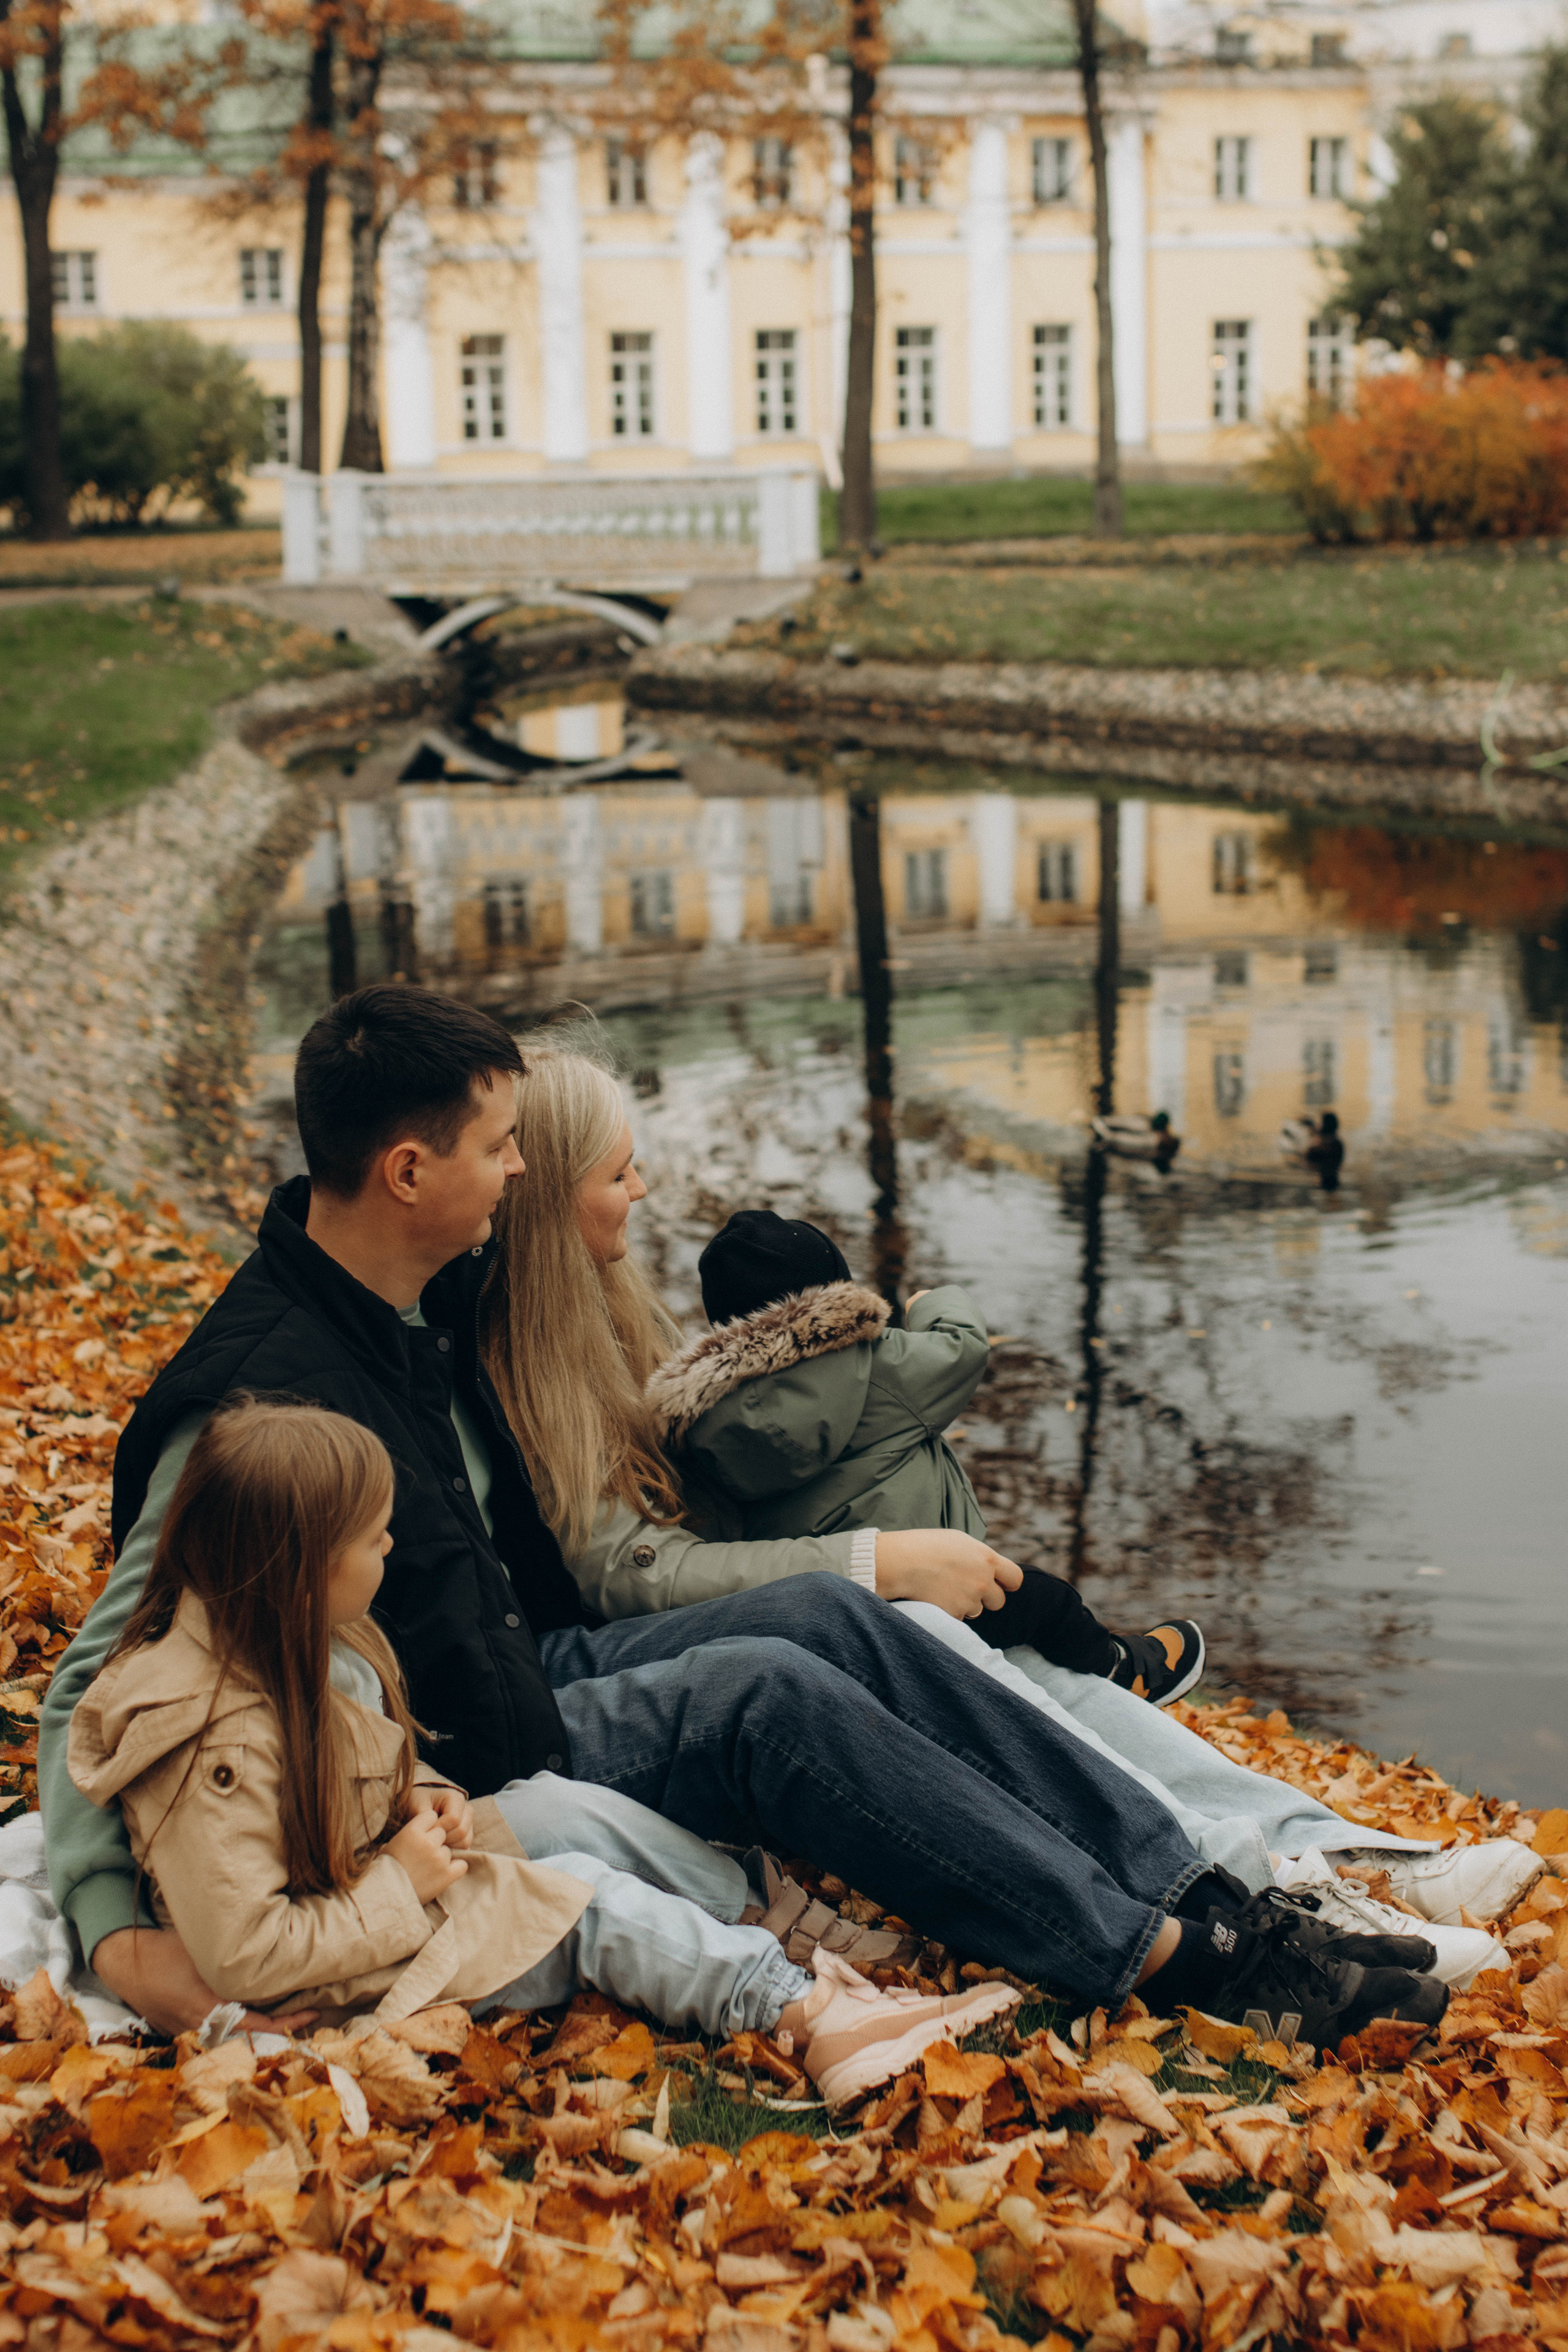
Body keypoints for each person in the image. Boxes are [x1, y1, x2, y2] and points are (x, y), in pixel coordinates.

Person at [37, 985, 1449, 2051]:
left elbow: (581, 1291)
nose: (521, 1172)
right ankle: (1158, 1955)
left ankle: (1211, 1886)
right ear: (407, 1171)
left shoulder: (429, 1291)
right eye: (497, 1146)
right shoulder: (246, 1398)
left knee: (841, 1609)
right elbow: (99, 1683)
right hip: (450, 1747)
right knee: (769, 1693)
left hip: (529, 1660)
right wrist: (118, 1935)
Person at [484, 1038, 1534, 1983]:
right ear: (545, 1199)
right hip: (635, 1667)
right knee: (922, 1635)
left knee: (989, 1644)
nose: (645, 1188)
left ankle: (1348, 1851)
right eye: (618, 1175)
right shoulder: (515, 1364)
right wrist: (873, 1557)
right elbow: (624, 1575)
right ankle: (1263, 1879)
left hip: (709, 1622)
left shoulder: (605, 1319)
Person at [69, 1398, 1019, 2109]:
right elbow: (247, 1952)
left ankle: (778, 1926)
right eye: (373, 1537)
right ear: (301, 1563)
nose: (392, 1548)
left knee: (564, 1809)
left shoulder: (311, 1636)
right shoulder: (213, 1746)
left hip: (366, 1875)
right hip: (340, 1970)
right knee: (582, 1903)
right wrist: (401, 1878)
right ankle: (807, 2018)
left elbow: (367, 1761)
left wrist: (421, 1799)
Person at [653, 1205, 1204, 1705]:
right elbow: (962, 1349)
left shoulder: (707, 1418)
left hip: (825, 1611)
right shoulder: (875, 1363)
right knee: (1044, 1599)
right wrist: (931, 1303)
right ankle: (1122, 1669)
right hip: (924, 1589)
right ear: (836, 1296)